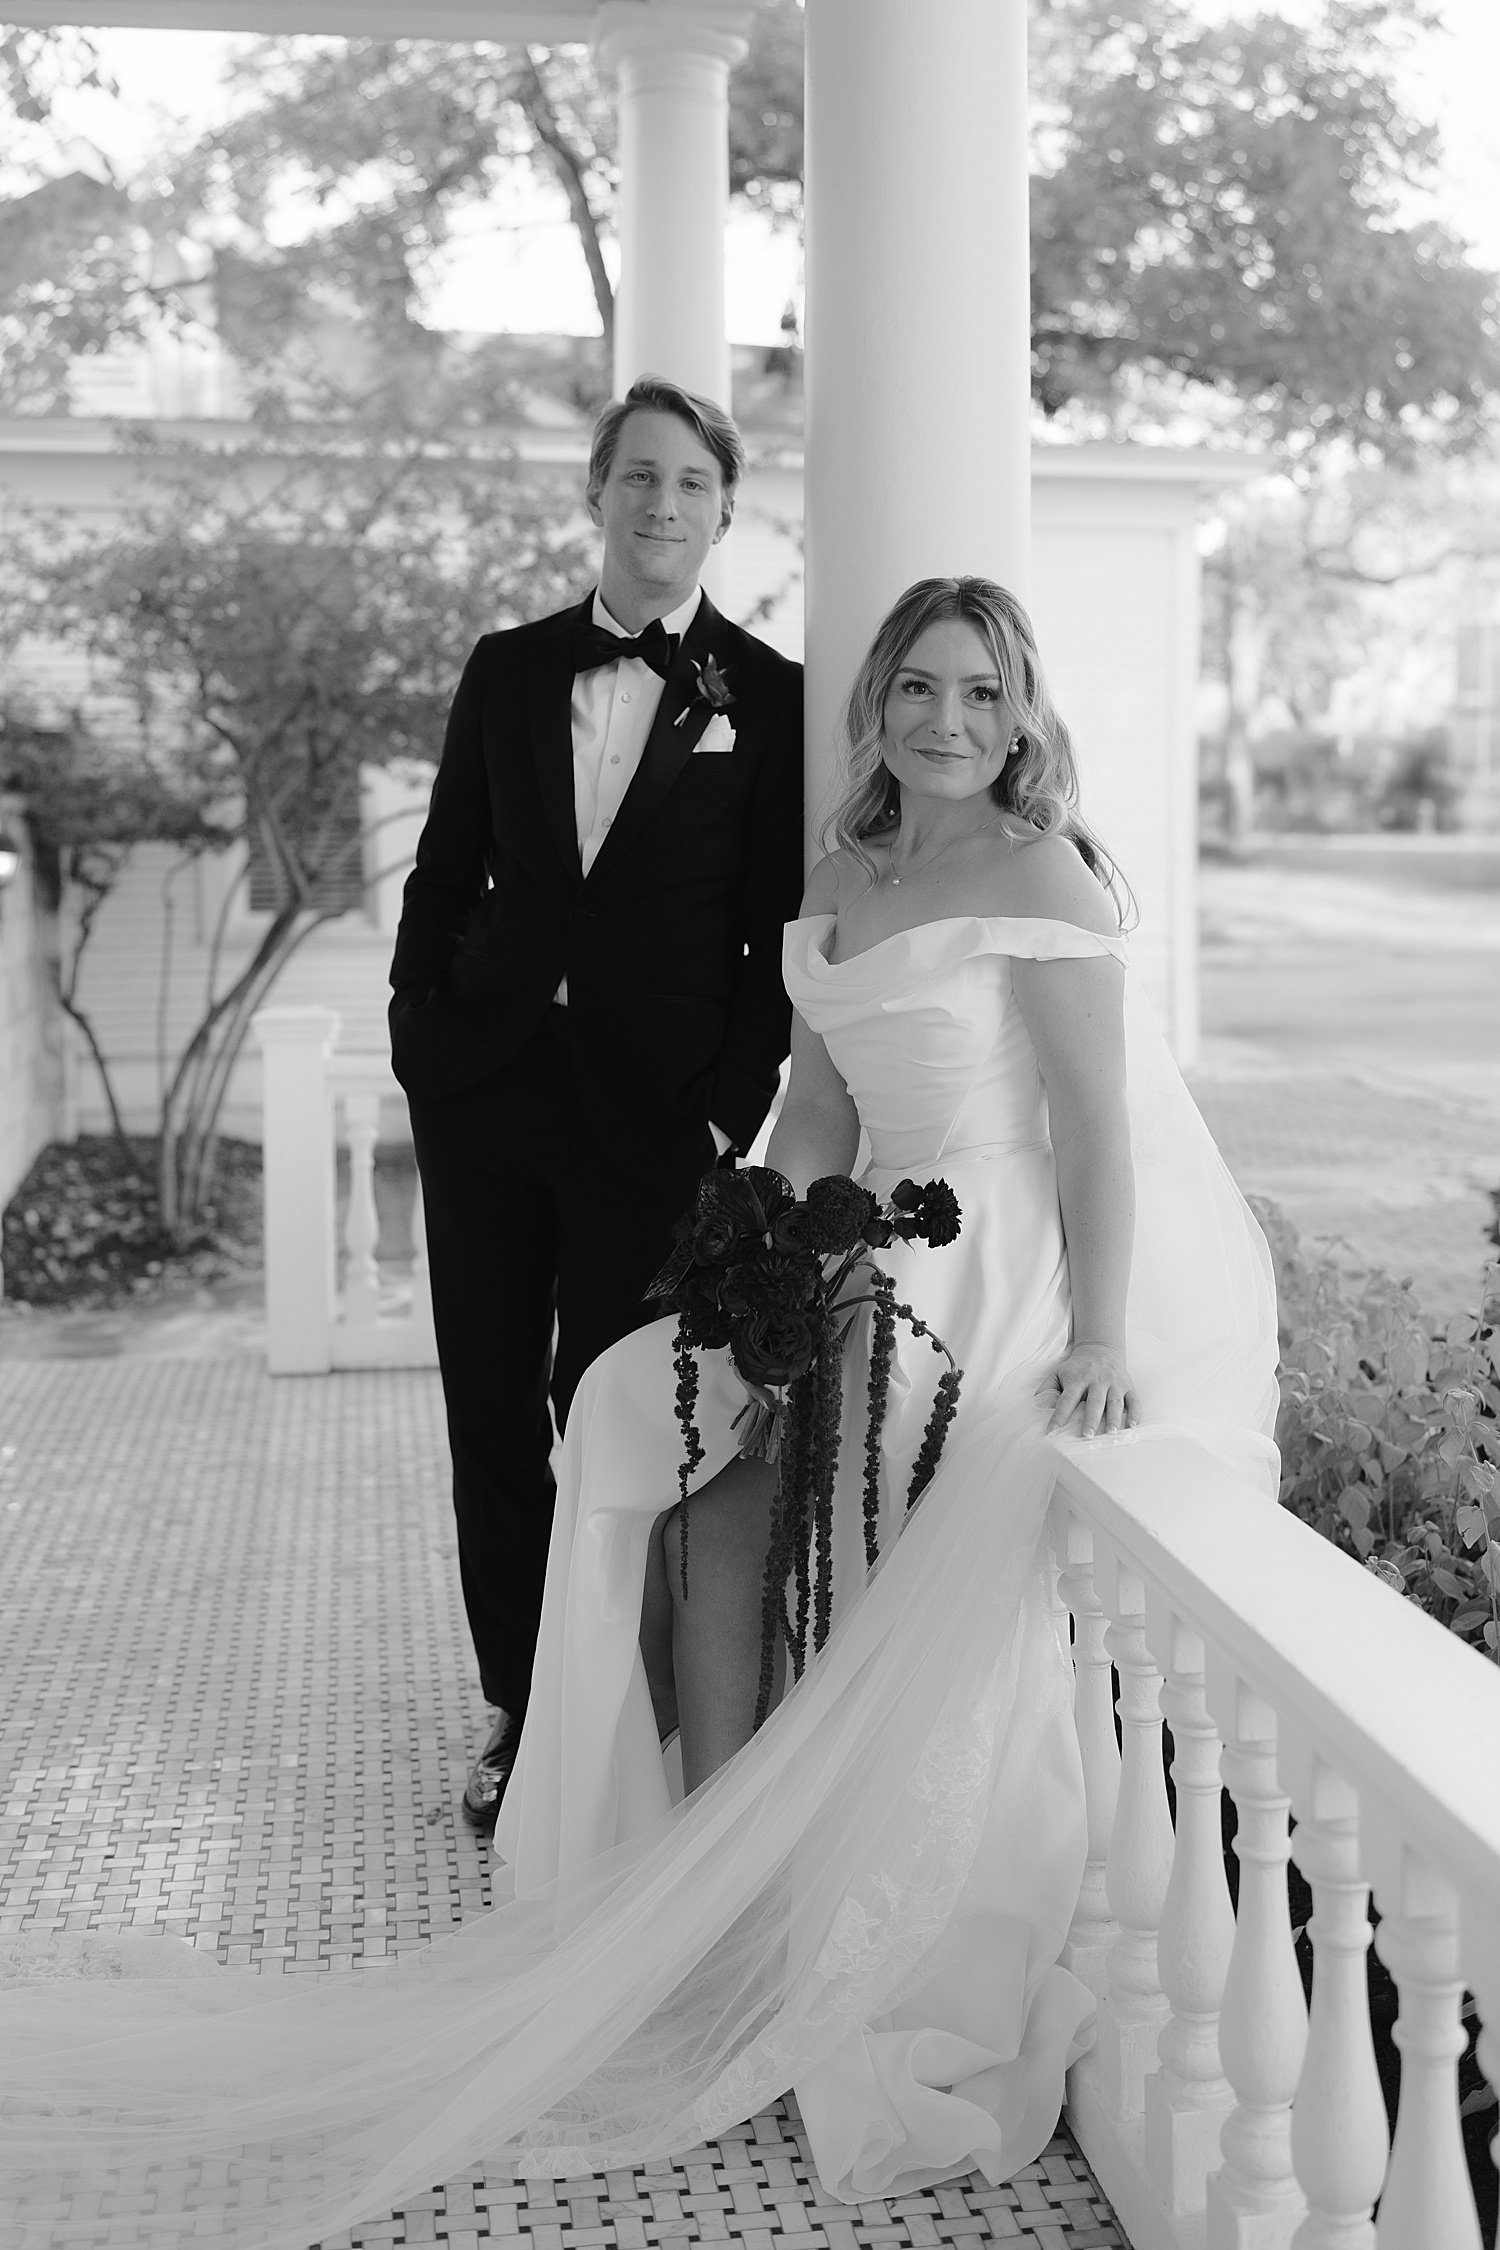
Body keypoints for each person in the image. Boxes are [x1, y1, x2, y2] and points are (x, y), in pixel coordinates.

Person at [0, 580, 1278, 2248]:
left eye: (979, 692)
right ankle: (711, 1894)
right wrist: (750, 1272)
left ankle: (785, 1914)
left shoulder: (1044, 876)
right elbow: (816, 1109)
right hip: (849, 1253)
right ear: (876, 703)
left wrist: (1101, 1331)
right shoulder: (850, 872)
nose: (946, 720)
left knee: (801, 1515)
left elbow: (1099, 1131)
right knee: (642, 1441)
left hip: (991, 1269)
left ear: (1022, 711)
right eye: (916, 688)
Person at [387, 374, 804, 1826]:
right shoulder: (507, 668)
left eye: (692, 482)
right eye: (639, 477)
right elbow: (446, 867)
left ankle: (612, 1717)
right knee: (489, 1408)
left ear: (725, 509)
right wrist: (419, 1026)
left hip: (651, 1120)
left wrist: (722, 1111)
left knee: (605, 1407)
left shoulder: (774, 698)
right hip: (486, 1090)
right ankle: (523, 1713)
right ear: (596, 493)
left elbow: (771, 940)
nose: (663, 505)